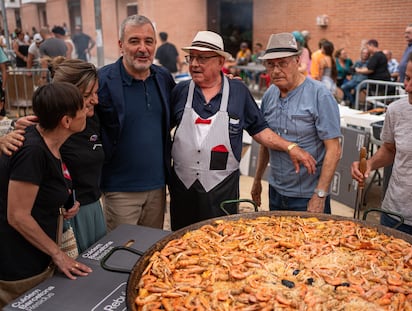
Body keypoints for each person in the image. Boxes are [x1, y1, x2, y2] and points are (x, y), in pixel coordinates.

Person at [169, 31, 317, 230]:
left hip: (221, 190)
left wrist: (290, 146)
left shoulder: (238, 92)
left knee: (221, 244)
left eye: (202, 58)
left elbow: (260, 130)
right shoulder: (180, 91)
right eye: (192, 57)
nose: (194, 63)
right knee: (179, 241)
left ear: (220, 61)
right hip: (182, 189)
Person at [0, 82, 92, 307]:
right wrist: (58, 254)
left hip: (37, 257)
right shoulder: (32, 152)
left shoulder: (44, 136)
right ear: (66, 121)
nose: (89, 110)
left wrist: (65, 202)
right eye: (82, 107)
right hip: (21, 267)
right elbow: (18, 216)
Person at [17, 58, 107, 253]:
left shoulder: (93, 118)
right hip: (65, 218)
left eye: (96, 92)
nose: (95, 100)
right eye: (87, 95)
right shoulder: (42, 132)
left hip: (93, 208)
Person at [97, 15, 175, 231]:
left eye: (148, 41)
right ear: (121, 45)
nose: (143, 48)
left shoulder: (163, 78)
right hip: (119, 190)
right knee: (121, 255)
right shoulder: (102, 81)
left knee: (150, 253)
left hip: (158, 189)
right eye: (134, 41)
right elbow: (72, 114)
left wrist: (226, 84)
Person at [250, 32, 341, 214]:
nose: (276, 71)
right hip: (276, 191)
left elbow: (334, 149)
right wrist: (258, 179)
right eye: (271, 64)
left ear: (298, 60)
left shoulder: (319, 95)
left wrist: (320, 194)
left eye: (282, 63)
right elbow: (267, 142)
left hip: (307, 196)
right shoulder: (269, 95)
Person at [351, 52, 412, 235]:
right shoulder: (396, 110)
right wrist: (369, 164)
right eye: (407, 77)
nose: (407, 86)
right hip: (395, 213)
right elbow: (389, 149)